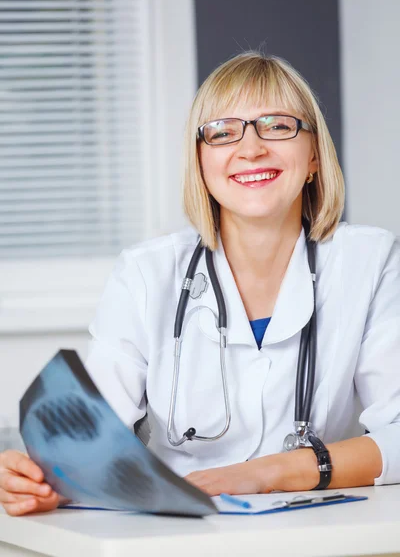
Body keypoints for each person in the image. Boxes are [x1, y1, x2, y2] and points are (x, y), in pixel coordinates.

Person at [1, 52, 399, 516]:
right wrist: (38, 478)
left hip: (318, 533)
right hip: (175, 534)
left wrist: (272, 471)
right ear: (201, 162)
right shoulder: (145, 274)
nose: (250, 149)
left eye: (277, 125)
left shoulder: (370, 261)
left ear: (313, 155)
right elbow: (90, 446)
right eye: (223, 132)